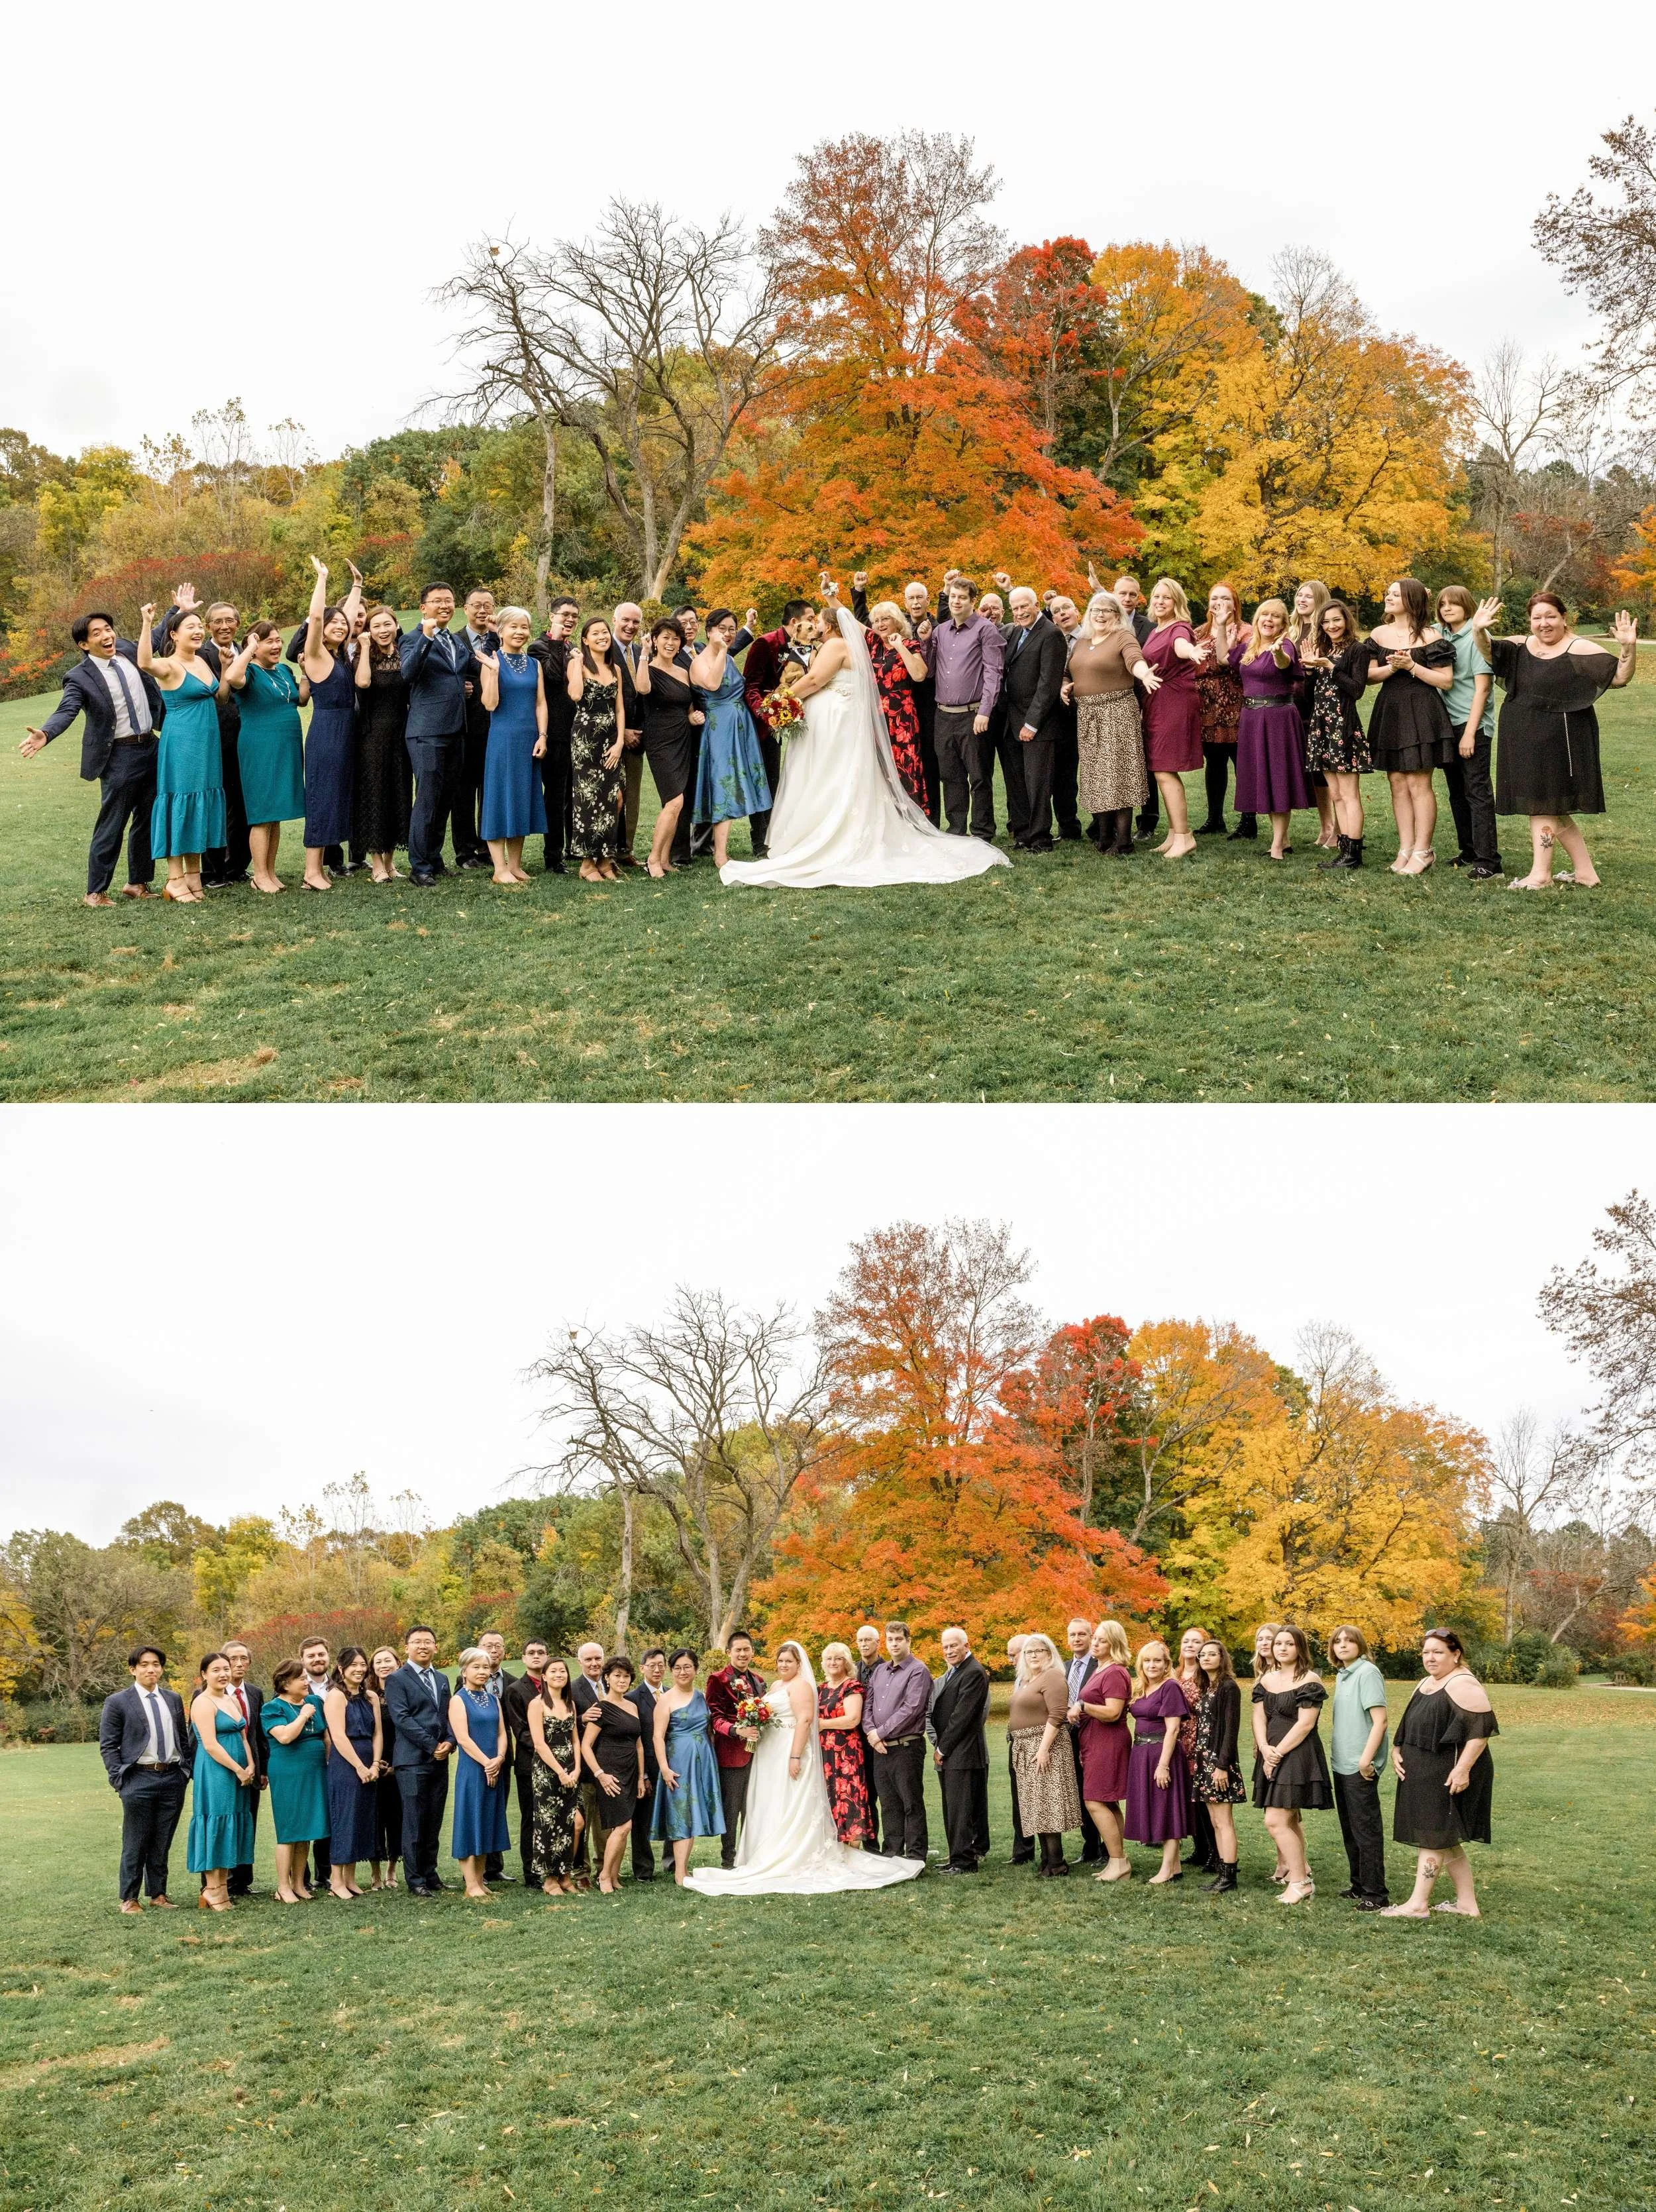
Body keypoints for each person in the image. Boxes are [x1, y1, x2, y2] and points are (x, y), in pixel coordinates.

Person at [723, 593, 1009, 889]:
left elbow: (813, 681)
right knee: (842, 776)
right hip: (847, 719)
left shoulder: (836, 645)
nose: (815, 624)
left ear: (831, 626)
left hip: (851, 721)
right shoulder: (853, 645)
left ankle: (837, 836)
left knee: (836, 776)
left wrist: (779, 703)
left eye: (818, 620)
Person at [684, 1640, 924, 1895]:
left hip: (791, 1749)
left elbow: (806, 1720)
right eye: (780, 1661)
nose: (783, 1665)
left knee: (792, 1802)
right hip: (770, 1752)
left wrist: (795, 1756)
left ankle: (791, 1853)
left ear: (799, 1664)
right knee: (772, 1803)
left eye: (789, 1661)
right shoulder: (775, 1685)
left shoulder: (801, 1686)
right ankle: (764, 1851)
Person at [1478, 592, 1639, 889]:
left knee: (1542, 805)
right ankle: (1586, 873)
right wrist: (1478, 629)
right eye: (1537, 617)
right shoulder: (1519, 645)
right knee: (1553, 807)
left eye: (1551, 616)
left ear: (1564, 618)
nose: (1544, 623)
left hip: (1561, 737)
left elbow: (1619, 677)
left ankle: (1541, 875)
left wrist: (1628, 649)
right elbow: (1488, 651)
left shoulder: (1579, 647)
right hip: (1522, 734)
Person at [19, 611, 165, 908]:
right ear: (84, 645)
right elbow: (67, 709)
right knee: (112, 824)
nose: (106, 636)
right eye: (96, 633)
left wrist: (178, 610)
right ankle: (95, 892)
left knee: (148, 819)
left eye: (108, 629)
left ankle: (137, 883)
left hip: (151, 747)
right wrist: (46, 733)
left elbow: (158, 637)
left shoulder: (126, 649)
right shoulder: (79, 677)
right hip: (119, 756)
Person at [1385, 1628, 1498, 1919]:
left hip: (1448, 1773)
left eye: (1438, 1652)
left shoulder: (1463, 1683)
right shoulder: (1427, 1682)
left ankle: (1418, 1905)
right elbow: (1410, 1722)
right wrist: (1397, 1749)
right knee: (1445, 1839)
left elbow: (1480, 1732)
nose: (1430, 1658)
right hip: (1423, 1771)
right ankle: (1467, 1905)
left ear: (1455, 1654)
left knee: (1433, 1835)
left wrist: (1462, 1770)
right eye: (1426, 1652)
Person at [1363, 578, 1457, 875]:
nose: (1388, 598)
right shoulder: (1379, 633)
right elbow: (1368, 677)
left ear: (1411, 600)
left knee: (1419, 783)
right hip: (1390, 709)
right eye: (1387, 593)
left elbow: (1446, 680)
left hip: (1422, 710)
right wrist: (1392, 667)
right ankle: (1405, 848)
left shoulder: (1431, 636)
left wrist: (1412, 667)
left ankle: (1423, 850)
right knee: (1397, 782)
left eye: (1394, 594)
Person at [135, 603, 225, 903]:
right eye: (191, 627)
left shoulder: (202, 661)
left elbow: (220, 693)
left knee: (200, 802)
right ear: (174, 634)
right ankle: (174, 880)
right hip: (183, 745)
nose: (199, 630)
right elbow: (145, 662)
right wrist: (148, 623)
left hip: (207, 746)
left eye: (200, 626)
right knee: (180, 803)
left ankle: (193, 878)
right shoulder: (169, 665)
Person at [99, 1645, 193, 1913]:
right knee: (136, 1840)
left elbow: (182, 1740)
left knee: (162, 1840)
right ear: (133, 1669)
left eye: (155, 1664)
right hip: (137, 1778)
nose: (151, 1669)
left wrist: (184, 1771)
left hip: (172, 1778)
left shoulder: (173, 1699)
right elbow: (108, 1745)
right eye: (144, 1664)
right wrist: (119, 1779)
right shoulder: (118, 1702)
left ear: (161, 1668)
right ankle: (129, 1898)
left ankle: (158, 1894)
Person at [1063, 592, 1156, 858]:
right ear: (1089, 613)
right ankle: (1105, 837)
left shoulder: (1123, 637)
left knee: (1119, 776)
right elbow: (1068, 671)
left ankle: (1124, 841)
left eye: (1107, 610)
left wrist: (1143, 672)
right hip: (1088, 716)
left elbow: (1134, 659)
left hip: (1117, 712)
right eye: (1096, 610)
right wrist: (1064, 687)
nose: (1101, 615)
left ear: (1117, 615)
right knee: (1095, 777)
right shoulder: (1082, 641)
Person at [399, 584, 478, 886]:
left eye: (449, 600)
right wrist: (427, 637)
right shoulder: (412, 639)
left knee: (446, 799)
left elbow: (476, 666)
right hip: (426, 732)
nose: (444, 605)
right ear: (424, 607)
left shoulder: (457, 643)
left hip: (457, 731)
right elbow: (408, 673)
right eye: (437, 601)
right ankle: (419, 867)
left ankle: (434, 858)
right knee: (428, 799)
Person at [1251, 1623, 1334, 1905]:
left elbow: (1306, 1724)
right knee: (1288, 1819)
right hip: (1269, 1749)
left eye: (1289, 1644)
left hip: (1297, 1753)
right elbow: (1259, 1718)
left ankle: (1300, 1882)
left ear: (1300, 1648)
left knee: (1275, 1820)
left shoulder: (1310, 1680)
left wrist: (1277, 1753)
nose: (1282, 1648)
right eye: (1278, 1644)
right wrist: (1264, 1748)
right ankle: (1301, 1872)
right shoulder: (1267, 1680)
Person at [221, 622, 308, 892]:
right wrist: (247, 650)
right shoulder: (248, 672)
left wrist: (305, 672)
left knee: (276, 813)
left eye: (278, 640)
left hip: (287, 747)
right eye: (269, 641)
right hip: (260, 748)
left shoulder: (283, 670)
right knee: (262, 813)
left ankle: (270, 872)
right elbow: (232, 679)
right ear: (255, 646)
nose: (277, 645)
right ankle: (259, 875)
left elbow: (302, 699)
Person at [919, 576, 1005, 839]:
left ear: (972, 601)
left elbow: (994, 673)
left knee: (979, 777)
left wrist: (985, 712)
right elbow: (930, 669)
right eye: (953, 596)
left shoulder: (986, 630)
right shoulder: (940, 631)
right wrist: (924, 641)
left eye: (962, 598)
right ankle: (956, 830)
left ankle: (982, 832)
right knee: (951, 776)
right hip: (943, 715)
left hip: (973, 713)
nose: (956, 602)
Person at [296, 556, 361, 892]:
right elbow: (320, 616)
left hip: (346, 732)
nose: (339, 626)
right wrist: (322, 578)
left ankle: (319, 869)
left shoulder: (339, 655)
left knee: (335, 796)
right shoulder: (317, 654)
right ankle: (311, 872)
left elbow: (343, 618)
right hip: (327, 733)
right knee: (322, 797)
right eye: (332, 624)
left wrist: (357, 586)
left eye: (343, 624)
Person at [688, 610, 772, 867]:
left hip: (740, 726)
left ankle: (746, 844)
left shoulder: (730, 660)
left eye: (732, 629)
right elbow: (713, 685)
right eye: (722, 629)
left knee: (738, 783)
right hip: (719, 729)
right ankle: (719, 854)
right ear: (710, 630)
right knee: (724, 785)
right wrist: (723, 651)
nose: (727, 633)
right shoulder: (699, 662)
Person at [474, 606, 548, 886]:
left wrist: (543, 736)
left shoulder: (534, 664)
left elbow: (540, 703)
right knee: (499, 799)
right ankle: (499, 868)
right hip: (503, 739)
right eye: (514, 627)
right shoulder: (492, 661)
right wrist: (493, 673)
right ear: (501, 630)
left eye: (524, 627)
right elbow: (490, 704)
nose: (520, 632)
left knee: (521, 799)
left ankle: (515, 866)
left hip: (529, 740)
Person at [739, 600, 817, 857]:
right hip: (759, 724)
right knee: (762, 781)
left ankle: (775, 836)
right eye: (810, 618)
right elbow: (750, 686)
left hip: (786, 722)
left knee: (777, 780)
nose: (814, 623)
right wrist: (767, 713)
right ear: (795, 622)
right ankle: (759, 841)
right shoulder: (765, 644)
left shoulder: (806, 645)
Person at [1231, 602, 1308, 861]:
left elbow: (1285, 663)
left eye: (1276, 617)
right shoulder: (1249, 647)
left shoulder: (1284, 645)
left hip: (1278, 718)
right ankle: (1283, 839)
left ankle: (1277, 845)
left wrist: (1276, 654)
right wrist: (1220, 627)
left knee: (1278, 777)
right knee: (1263, 776)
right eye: (1265, 614)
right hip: (1252, 718)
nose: (1269, 619)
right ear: (1257, 619)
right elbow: (1225, 659)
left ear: (1283, 624)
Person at [1435, 586, 1503, 878]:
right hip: (1445, 723)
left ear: (1467, 607)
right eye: (1442, 604)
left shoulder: (1477, 638)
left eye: (1454, 604)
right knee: (1456, 792)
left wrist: (1470, 733)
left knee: (1477, 792)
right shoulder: (1439, 634)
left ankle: (1489, 862)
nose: (1447, 608)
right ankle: (1468, 851)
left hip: (1471, 723)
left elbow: (1483, 689)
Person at [1300, 602, 1372, 870]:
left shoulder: (1357, 650)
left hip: (1343, 725)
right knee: (1336, 794)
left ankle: (1354, 852)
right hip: (1321, 726)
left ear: (1347, 620)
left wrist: (1330, 666)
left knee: (1350, 793)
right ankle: (1343, 850)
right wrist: (1309, 671)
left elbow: (1356, 690)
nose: (1331, 626)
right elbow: (1311, 695)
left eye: (1336, 620)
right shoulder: (1325, 650)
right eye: (1326, 622)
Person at [1138, 578, 1206, 861]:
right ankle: (1173, 833)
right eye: (1156, 597)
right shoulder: (1156, 630)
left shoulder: (1179, 628)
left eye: (1166, 597)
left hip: (1174, 701)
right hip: (1157, 702)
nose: (1160, 602)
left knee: (1165, 769)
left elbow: (1181, 647)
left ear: (1177, 601)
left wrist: (1192, 652)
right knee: (1161, 769)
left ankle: (1184, 837)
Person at [384, 1627, 454, 1895]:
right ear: (407, 1647)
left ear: (436, 1647)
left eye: (428, 1642)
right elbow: (402, 1719)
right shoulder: (397, 1679)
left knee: (434, 1819)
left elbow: (448, 1715)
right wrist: (431, 1745)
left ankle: (430, 1873)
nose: (423, 1646)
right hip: (412, 1761)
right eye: (417, 1642)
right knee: (414, 1820)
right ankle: (415, 1880)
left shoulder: (442, 1678)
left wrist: (449, 1742)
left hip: (440, 1760)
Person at [998, 588, 1068, 852]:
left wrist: (1032, 723)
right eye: (1015, 608)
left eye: (1024, 607)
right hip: (1011, 720)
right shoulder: (1016, 631)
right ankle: (1023, 833)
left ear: (1037, 605)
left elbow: (1048, 684)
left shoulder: (1050, 634)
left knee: (1037, 782)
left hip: (1038, 723)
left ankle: (1040, 838)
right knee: (1016, 782)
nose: (1019, 612)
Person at [1006, 1632, 1081, 1875]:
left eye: (1040, 1651)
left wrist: (1044, 1748)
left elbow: (1057, 1713)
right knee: (1037, 1807)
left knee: (1049, 1806)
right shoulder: (1030, 1679)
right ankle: (1047, 1860)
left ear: (1050, 1654)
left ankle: (1057, 1862)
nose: (1034, 1655)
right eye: (1029, 1652)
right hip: (1026, 1747)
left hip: (1045, 1746)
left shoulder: (1053, 1676)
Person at [186, 1652, 256, 1913]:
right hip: (216, 1772)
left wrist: (250, 1765)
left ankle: (223, 1888)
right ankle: (212, 1889)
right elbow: (211, 1745)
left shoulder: (230, 1699)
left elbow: (243, 1736)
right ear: (204, 1674)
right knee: (217, 1821)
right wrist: (238, 1769)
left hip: (239, 1770)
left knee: (233, 1822)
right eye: (216, 1670)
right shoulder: (203, 1703)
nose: (223, 1674)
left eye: (226, 1669)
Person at [861, 1620, 934, 1864]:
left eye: (899, 1639)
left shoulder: (918, 1670)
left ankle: (915, 1855)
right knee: (889, 1803)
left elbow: (912, 1709)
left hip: (906, 1747)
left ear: (908, 1641)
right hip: (881, 1749)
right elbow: (868, 1705)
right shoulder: (880, 1671)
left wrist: (880, 1732)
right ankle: (892, 1852)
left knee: (910, 1802)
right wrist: (872, 1734)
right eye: (890, 1640)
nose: (894, 1644)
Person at [648, 1648, 724, 1883]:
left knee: (694, 1813)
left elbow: (710, 1729)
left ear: (695, 1670)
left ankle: (683, 1868)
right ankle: (680, 1872)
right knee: (683, 1814)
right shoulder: (666, 1700)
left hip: (703, 1763)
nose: (683, 1672)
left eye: (687, 1667)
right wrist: (664, 1767)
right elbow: (657, 1737)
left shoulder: (702, 1696)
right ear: (672, 1672)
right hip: (678, 1762)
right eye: (678, 1668)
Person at [633, 617, 702, 875]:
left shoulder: (684, 672)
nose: (671, 643)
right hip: (660, 741)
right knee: (675, 801)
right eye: (665, 638)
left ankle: (664, 859)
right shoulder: (647, 669)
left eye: (676, 638)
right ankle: (652, 860)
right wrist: (644, 654)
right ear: (655, 640)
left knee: (674, 803)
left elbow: (687, 707)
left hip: (682, 738)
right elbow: (642, 688)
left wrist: (693, 717)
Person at [1328, 1625, 1390, 1911]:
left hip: (1360, 1766)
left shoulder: (1368, 1673)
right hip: (1341, 1764)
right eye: (1337, 1641)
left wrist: (1366, 1760)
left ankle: (1375, 1895)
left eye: (1349, 1641)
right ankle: (1358, 1885)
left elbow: (1380, 1721)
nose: (1342, 1645)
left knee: (1366, 1832)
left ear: (1360, 1644)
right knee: (1350, 1829)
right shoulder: (1344, 1674)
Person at [348, 606, 411, 881]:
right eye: (376, 626)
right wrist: (363, 648)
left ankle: (390, 862)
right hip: (373, 736)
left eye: (387, 625)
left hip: (402, 733)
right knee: (376, 795)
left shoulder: (404, 654)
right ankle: (376, 864)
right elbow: (362, 683)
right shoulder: (365, 656)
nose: (383, 631)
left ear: (397, 626)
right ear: (368, 631)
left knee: (399, 793)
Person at [1122, 1639, 1190, 1885]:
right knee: (1155, 1806)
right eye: (1147, 1660)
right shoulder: (1140, 1688)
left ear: (1166, 1664)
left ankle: (1167, 1869)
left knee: (1167, 1808)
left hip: (1163, 1753)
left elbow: (1173, 1730)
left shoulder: (1170, 1687)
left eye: (1157, 1661)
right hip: (1141, 1754)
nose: (1152, 1665)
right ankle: (1177, 1866)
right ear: (1141, 1664)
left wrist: (1163, 1765)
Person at [853, 594, 930, 810]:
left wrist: (900, 647)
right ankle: (886, 817)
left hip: (902, 717)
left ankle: (911, 816)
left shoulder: (909, 644)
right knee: (879, 767)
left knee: (904, 765)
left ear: (896, 620)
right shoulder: (873, 643)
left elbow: (919, 675)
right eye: (876, 621)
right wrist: (829, 594)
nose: (880, 624)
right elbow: (848, 620)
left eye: (885, 619)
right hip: (876, 717)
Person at [262, 1659, 329, 1904]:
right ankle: (283, 1887)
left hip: (315, 1770)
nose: (306, 1682)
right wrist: (302, 1715)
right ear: (285, 1684)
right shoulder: (272, 1708)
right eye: (300, 1678)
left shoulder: (315, 1702)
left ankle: (299, 1884)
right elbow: (286, 1737)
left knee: (306, 1831)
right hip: (288, 1771)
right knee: (289, 1830)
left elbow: (326, 1736)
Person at [1192, 582, 1254, 839]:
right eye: (1214, 598)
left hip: (1236, 703)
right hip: (1207, 706)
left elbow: (1242, 663)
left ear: (1235, 603)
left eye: (1225, 598)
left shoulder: (1247, 631)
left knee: (1242, 764)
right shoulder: (1198, 633)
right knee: (1214, 763)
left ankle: (1248, 821)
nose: (1219, 602)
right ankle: (1215, 818)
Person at [580, 1654, 646, 1893]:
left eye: (626, 1676)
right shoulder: (601, 1708)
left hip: (630, 1772)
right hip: (610, 1773)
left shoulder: (632, 1706)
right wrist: (600, 1774)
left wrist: (641, 1777)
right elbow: (586, 1746)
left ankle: (615, 1876)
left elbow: (639, 1745)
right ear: (607, 1678)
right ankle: (604, 1876)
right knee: (623, 1826)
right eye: (617, 1675)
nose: (622, 1680)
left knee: (623, 1827)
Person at [567, 618, 626, 882]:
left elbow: (620, 708)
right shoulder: (577, 665)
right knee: (588, 799)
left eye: (605, 632)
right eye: (595, 633)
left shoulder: (615, 669)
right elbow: (576, 696)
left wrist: (620, 743)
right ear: (585, 639)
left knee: (615, 798)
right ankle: (586, 863)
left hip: (612, 740)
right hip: (586, 738)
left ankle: (605, 858)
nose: (602, 636)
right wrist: (578, 663)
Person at [1074, 1621, 1133, 1883]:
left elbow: (1113, 1712)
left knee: (1095, 1801)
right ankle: (1118, 1860)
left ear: (1115, 1644)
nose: (1095, 1643)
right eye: (1095, 1639)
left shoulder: (1115, 1673)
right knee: (1107, 1801)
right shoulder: (1101, 1669)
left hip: (1108, 1742)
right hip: (1094, 1741)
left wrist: (1083, 1706)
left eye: (1102, 1641)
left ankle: (1118, 1861)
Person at [448, 1648, 510, 1899]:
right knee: (469, 1821)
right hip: (473, 1769)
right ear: (464, 1671)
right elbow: (463, 1738)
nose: (482, 1672)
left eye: (485, 1667)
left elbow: (502, 1734)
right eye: (477, 1667)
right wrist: (487, 1763)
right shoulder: (458, 1700)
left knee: (487, 1822)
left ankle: (481, 1880)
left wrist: (499, 1759)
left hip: (494, 1765)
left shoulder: (494, 1699)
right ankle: (470, 1884)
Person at [322, 1647, 382, 1901]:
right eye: (353, 1665)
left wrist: (376, 1764)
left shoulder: (371, 1697)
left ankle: (350, 1878)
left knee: (362, 1819)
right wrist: (359, 1766)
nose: (359, 1670)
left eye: (362, 1665)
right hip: (346, 1764)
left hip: (370, 1759)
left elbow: (378, 1733)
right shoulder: (335, 1696)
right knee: (345, 1818)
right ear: (341, 1668)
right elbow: (337, 1736)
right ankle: (336, 1881)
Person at [927, 1626, 989, 1873]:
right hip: (955, 1754)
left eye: (954, 1646)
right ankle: (956, 1857)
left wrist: (942, 1748)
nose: (949, 1651)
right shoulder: (955, 1672)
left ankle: (964, 1861)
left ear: (966, 1645)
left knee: (961, 1809)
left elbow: (962, 1717)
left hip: (963, 1753)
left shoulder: (973, 1672)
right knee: (952, 1808)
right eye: (945, 1647)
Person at [525, 1656, 586, 1894]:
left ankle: (566, 1875)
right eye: (554, 1671)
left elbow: (575, 1739)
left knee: (576, 1822)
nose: (559, 1674)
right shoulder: (537, 1704)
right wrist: (560, 1772)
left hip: (572, 1769)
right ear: (545, 1676)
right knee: (549, 1824)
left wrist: (577, 1768)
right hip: (547, 1772)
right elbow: (539, 1744)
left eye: (563, 1671)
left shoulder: (570, 1704)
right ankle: (550, 1879)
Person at [704, 1632, 765, 1868]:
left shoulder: (759, 1680)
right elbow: (714, 1717)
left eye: (747, 1649)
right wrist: (736, 1731)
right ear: (729, 1652)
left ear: (752, 1652)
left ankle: (751, 1855)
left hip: (759, 1755)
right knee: (732, 1810)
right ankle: (728, 1859)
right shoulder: (717, 1679)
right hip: (731, 1755)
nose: (743, 1654)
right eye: (738, 1650)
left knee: (755, 1808)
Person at [1191, 1637, 1245, 1894]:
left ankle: (1229, 1876)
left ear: (1222, 1658)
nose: (1206, 1658)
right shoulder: (1207, 1687)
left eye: (1212, 1654)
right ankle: (1222, 1872)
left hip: (1219, 1764)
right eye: (1202, 1655)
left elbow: (1231, 1729)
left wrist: (1222, 1765)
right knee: (1214, 1820)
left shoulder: (1228, 1688)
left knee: (1224, 1821)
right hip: (1204, 1761)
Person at [1288, 580, 1337, 850]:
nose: (1302, 600)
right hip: (1296, 704)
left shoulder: (1324, 630)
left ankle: (1339, 829)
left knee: (1327, 770)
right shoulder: (1293, 630)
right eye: (1299, 595)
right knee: (1314, 769)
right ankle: (1326, 825)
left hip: (1319, 704)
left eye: (1309, 596)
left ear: (1320, 600)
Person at [530, 596, 578, 873]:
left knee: (573, 795)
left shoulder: (573, 647)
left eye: (574, 615)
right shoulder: (538, 647)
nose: (570, 619)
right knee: (556, 795)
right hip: (553, 733)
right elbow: (553, 677)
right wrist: (558, 643)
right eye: (565, 614)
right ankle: (553, 856)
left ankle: (574, 846)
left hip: (575, 731)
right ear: (552, 616)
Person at [452, 587, 499, 872]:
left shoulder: (500, 640)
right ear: (466, 608)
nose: (483, 611)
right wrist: (460, 688)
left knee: (490, 789)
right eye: (477, 606)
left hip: (495, 725)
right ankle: (464, 850)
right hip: (465, 726)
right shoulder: (455, 640)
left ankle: (487, 846)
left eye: (488, 606)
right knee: (464, 791)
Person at [214, 1642, 265, 1897]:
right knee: (221, 1822)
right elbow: (198, 1737)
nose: (239, 1663)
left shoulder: (255, 1693)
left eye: (244, 1658)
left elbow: (258, 1735)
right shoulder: (208, 1693)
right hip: (220, 1769)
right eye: (233, 1659)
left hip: (252, 1770)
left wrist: (262, 1769)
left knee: (247, 1823)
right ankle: (218, 1883)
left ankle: (243, 1881)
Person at [815, 1640, 874, 1849]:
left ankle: (852, 1849)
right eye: (829, 1659)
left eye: (838, 1658)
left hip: (846, 1753)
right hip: (824, 1753)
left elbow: (852, 1719)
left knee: (847, 1797)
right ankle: (833, 1849)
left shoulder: (852, 1686)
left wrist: (822, 1724)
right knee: (829, 1796)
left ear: (846, 1662)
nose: (833, 1662)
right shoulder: (820, 1689)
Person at [1173, 1626, 1217, 1875]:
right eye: (1186, 1641)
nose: (1190, 1645)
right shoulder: (1176, 1673)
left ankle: (1215, 1853)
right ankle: (1201, 1849)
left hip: (1201, 1741)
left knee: (1205, 1801)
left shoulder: (1205, 1674)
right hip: (1180, 1742)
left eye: (1196, 1642)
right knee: (1191, 1800)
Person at [1062, 1617, 1103, 1866]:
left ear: (1091, 1637)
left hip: (1095, 1734)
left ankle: (1109, 1848)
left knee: (1099, 1792)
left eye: (1082, 1634)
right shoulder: (1062, 1668)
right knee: (1080, 1793)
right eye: (1072, 1635)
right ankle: (1090, 1847)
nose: (1077, 1639)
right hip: (1070, 1737)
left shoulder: (1101, 1666)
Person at [611, 601, 648, 866]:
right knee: (611, 797)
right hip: (610, 736)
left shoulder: (639, 651)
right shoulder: (602, 649)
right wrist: (620, 731)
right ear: (615, 619)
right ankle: (606, 851)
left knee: (632, 796)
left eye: (635, 622)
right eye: (626, 620)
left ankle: (626, 850)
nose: (630, 626)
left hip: (638, 738)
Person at [631, 1646, 667, 1881]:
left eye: (661, 1665)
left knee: (674, 1815)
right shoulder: (632, 1698)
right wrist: (642, 1774)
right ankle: (643, 1869)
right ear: (642, 1668)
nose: (657, 1669)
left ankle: (673, 1863)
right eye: (652, 1665)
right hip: (645, 1767)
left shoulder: (673, 1694)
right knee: (641, 1820)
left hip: (670, 1766)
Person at [368, 1647, 402, 1889]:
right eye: (378, 1662)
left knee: (397, 1819)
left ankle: (392, 1869)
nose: (383, 1665)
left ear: (398, 1663)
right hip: (373, 1765)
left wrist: (397, 1765)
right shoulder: (368, 1695)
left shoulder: (404, 1691)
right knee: (375, 1819)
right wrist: (375, 1763)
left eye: (388, 1660)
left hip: (400, 1764)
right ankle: (375, 1872)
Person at [853, 1622, 884, 1852]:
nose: (863, 1644)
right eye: (860, 1641)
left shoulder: (887, 1668)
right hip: (857, 1742)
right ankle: (871, 1846)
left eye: (867, 1640)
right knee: (865, 1797)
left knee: (886, 1795)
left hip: (881, 1739)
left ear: (877, 1643)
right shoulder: (853, 1669)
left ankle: (894, 1845)